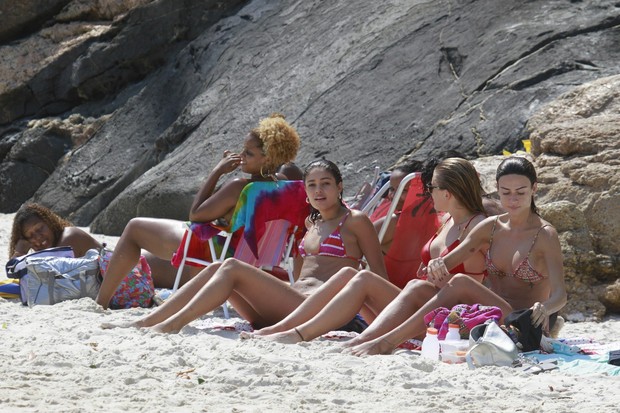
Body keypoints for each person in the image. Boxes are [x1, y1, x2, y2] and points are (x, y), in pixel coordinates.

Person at [104, 159, 387, 332]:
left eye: (326, 184)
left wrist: (378, 324)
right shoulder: (311, 224)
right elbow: (303, 275)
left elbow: (377, 277)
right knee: (218, 267)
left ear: (340, 186)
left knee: (230, 268)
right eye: (311, 185)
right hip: (289, 304)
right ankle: (149, 321)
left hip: (320, 311)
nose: (318, 191)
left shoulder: (355, 221)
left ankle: (172, 324)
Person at [247, 157, 488, 343]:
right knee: (351, 275)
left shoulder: (477, 225)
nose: (426, 192)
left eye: (431, 187)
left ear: (448, 191)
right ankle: (287, 330)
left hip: (450, 315)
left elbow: (483, 273)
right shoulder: (446, 221)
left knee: (362, 277)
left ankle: (296, 333)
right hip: (422, 305)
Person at [344, 156, 567, 356]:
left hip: (524, 326)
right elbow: (451, 258)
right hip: (488, 316)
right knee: (417, 286)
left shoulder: (544, 234)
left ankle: (388, 342)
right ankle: (368, 338)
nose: (513, 200)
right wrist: (434, 265)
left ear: (534, 189)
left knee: (461, 282)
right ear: (497, 190)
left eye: (521, 192)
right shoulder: (491, 226)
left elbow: (560, 295)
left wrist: (545, 308)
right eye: (505, 192)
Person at [95, 114, 301, 309]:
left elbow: (195, 214)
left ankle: (101, 302)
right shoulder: (286, 186)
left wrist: (217, 171)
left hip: (218, 251)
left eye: (248, 153)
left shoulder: (240, 187)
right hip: (256, 257)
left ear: (267, 158)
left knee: (134, 228)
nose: (241, 156)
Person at [9, 203, 102, 259]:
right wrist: (20, 252)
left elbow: (49, 279)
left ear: (50, 223)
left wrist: (20, 255)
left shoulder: (70, 237)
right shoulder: (48, 253)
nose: (37, 237)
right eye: (30, 236)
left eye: (40, 228)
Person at [372, 161, 422, 254]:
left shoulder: (392, 223)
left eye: (402, 190)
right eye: (391, 189)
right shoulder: (439, 219)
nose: (394, 195)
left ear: (420, 189)